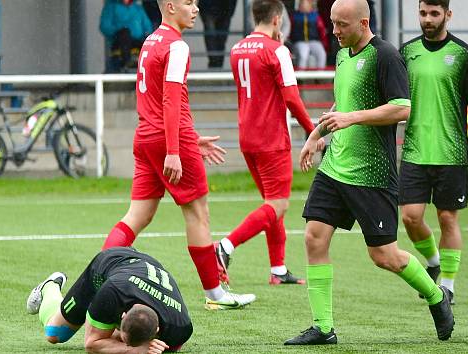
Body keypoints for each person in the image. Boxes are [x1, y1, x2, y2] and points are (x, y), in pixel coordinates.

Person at [284, 0, 454, 345]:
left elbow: (402, 108)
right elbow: (341, 105)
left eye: (341, 25)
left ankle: (437, 297)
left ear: (363, 23)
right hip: (335, 167)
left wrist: (352, 118)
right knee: (314, 237)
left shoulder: (386, 55)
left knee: (383, 256)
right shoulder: (343, 54)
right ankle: (323, 327)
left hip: (371, 175)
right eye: (332, 23)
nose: (334, 32)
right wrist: (316, 137)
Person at [101, 0, 256, 311]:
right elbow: (171, 99)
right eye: (189, 2)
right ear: (170, 6)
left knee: (138, 215)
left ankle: (98, 276)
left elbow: (154, 97)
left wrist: (186, 139)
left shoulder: (150, 40)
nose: (196, 8)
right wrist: (175, 148)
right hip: (169, 141)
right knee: (199, 215)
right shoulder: (177, 45)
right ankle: (216, 295)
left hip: (146, 136)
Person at [217, 0, 325, 286]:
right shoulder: (277, 51)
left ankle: (278, 270)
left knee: (271, 204)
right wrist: (313, 132)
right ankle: (225, 247)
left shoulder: (237, 49)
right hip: (271, 136)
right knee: (277, 205)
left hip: (247, 136)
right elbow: (291, 97)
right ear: (277, 19)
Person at [399, 0, 468, 305]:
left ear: (447, 15)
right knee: (410, 218)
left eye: (434, 13)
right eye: (423, 13)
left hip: (451, 153)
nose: (427, 19)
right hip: (414, 151)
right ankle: (434, 261)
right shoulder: (406, 52)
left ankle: (448, 286)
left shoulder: (465, 55)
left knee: (447, 218)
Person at [26, 247, 191, 353]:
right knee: (55, 334)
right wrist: (136, 350)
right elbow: (91, 344)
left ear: (157, 330)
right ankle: (50, 286)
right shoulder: (111, 294)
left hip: (143, 270)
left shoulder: (180, 327)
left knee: (117, 339)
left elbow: (170, 348)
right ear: (123, 315)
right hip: (109, 265)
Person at [100, 0, 154, 73]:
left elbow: (148, 27)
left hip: (137, 43)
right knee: (124, 34)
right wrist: (119, 31)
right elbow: (105, 26)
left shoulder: (137, 8)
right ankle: (127, 63)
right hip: (119, 43)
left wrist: (147, 35)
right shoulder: (111, 6)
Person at [199, 0, 238, 68]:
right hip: (208, 8)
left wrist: (231, 11)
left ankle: (217, 65)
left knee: (221, 39)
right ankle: (215, 65)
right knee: (211, 36)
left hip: (225, 9)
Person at [290, 0, 328, 69]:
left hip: (314, 41)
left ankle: (320, 76)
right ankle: (301, 77)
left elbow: (322, 31)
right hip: (300, 42)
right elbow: (290, 30)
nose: (303, 6)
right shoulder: (294, 16)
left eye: (306, 4)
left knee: (321, 53)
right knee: (303, 53)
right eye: (302, 4)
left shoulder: (315, 16)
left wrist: (324, 43)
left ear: (310, 6)